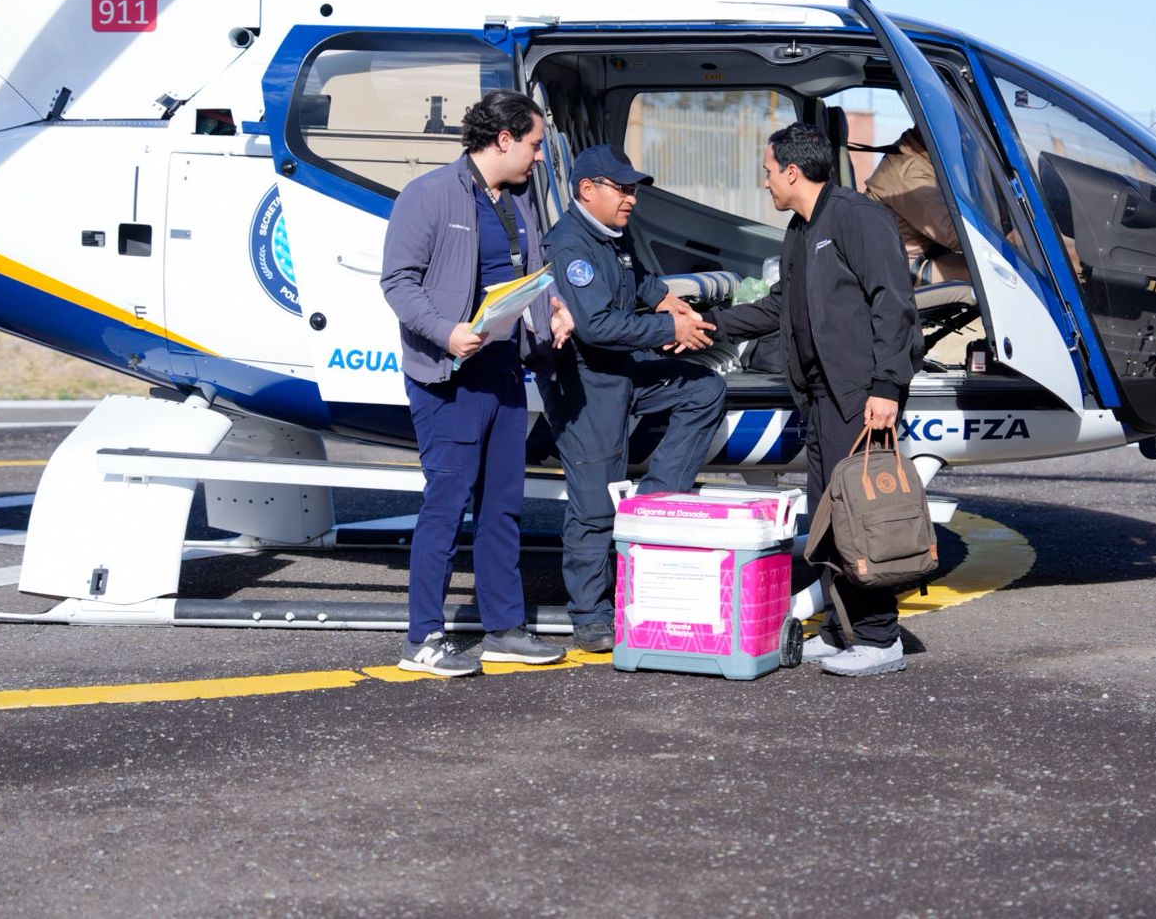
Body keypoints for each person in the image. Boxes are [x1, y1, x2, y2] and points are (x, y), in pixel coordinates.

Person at [707, 122, 920, 677]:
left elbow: (894, 304)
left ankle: (880, 637)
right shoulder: (801, 230)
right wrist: (710, 326)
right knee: (828, 514)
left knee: (861, 516)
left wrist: (887, 387)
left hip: (860, 396)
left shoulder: (856, 217)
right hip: (821, 396)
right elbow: (781, 306)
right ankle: (841, 629)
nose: (766, 182)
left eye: (768, 172)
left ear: (792, 171)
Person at [381, 89, 574, 677]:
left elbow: (528, 277)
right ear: (503, 139)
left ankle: (504, 629)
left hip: (504, 373)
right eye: (534, 145)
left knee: (502, 508)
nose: (538, 157)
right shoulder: (429, 194)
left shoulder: (518, 200)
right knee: (446, 505)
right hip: (450, 377)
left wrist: (554, 311)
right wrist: (446, 333)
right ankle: (422, 639)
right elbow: (398, 282)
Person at [538, 144, 727, 653]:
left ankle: (652, 508)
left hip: (623, 369)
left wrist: (665, 299)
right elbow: (597, 327)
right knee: (595, 505)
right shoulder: (570, 246)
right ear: (587, 190)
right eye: (622, 189)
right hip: (587, 384)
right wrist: (669, 328)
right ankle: (591, 615)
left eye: (633, 189)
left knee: (705, 389)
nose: (632, 199)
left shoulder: (612, 235)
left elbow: (635, 276)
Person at [864, 127, 970, 285]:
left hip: (920, 256)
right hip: (897, 272)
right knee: (990, 276)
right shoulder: (910, 174)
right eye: (957, 127)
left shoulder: (920, 155)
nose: (965, 135)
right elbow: (959, 236)